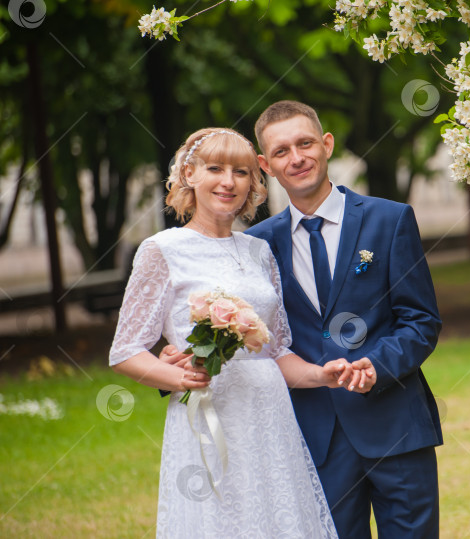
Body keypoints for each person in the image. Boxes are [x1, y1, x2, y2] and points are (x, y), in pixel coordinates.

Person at [109, 127, 370, 537]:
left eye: (242, 172)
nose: (229, 182)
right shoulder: (162, 250)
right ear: (190, 174)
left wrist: (322, 375)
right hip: (211, 414)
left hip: (270, 414)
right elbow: (125, 351)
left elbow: (277, 350)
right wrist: (181, 376)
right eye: (215, 168)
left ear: (254, 183)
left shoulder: (258, 250)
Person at [246, 101, 443, 538]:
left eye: (305, 143)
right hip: (314, 438)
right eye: (281, 152)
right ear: (265, 165)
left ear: (327, 144)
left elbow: (422, 320)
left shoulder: (389, 220)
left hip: (395, 426)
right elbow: (262, 342)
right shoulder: (256, 246)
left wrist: (379, 365)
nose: (296, 158)